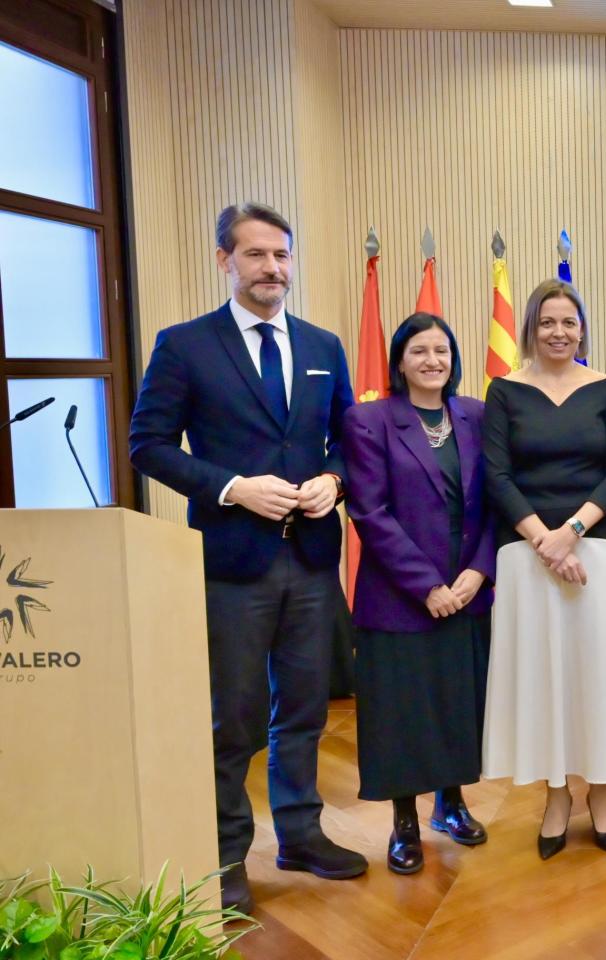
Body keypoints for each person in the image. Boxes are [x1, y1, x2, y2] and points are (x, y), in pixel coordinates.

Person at [129, 203, 364, 913]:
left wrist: (334, 480)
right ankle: (226, 856)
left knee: (304, 710)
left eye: (283, 255)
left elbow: (349, 438)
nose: (273, 268)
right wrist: (232, 487)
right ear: (225, 260)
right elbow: (150, 444)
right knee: (230, 718)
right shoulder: (185, 345)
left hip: (314, 561)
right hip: (233, 564)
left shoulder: (323, 345)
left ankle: (300, 834)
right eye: (257, 255)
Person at [482, 279, 606, 858]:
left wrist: (571, 533)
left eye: (568, 322)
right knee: (544, 678)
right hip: (526, 558)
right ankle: (557, 794)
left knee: (594, 674)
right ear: (531, 327)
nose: (558, 332)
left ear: (582, 329)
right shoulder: (504, 390)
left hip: (594, 549)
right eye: (547, 322)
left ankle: (602, 791)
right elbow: (496, 476)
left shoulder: (605, 387)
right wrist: (542, 540)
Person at [343, 313, 496, 874]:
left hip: (469, 591)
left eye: (442, 351)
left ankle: (451, 803)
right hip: (399, 598)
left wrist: (479, 572)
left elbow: (496, 501)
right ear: (399, 361)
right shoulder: (369, 420)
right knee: (402, 713)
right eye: (420, 351)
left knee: (459, 703)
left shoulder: (476, 415)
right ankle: (404, 822)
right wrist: (426, 585)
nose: (433, 361)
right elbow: (370, 512)